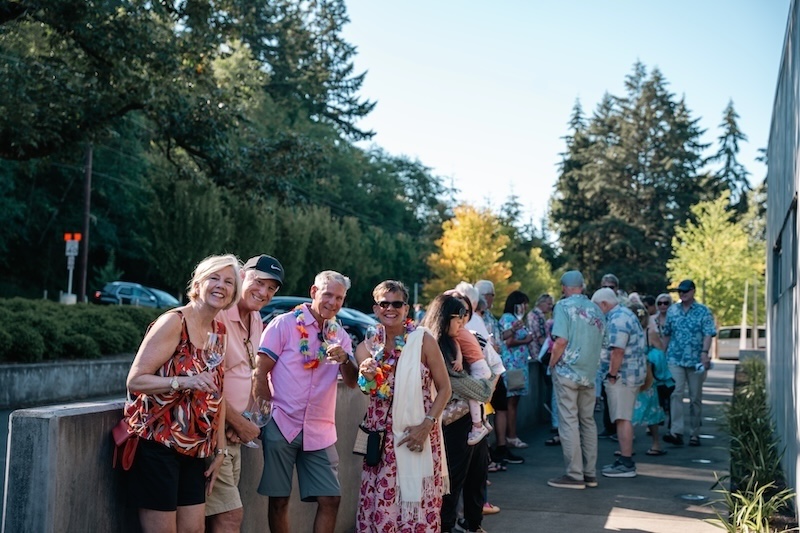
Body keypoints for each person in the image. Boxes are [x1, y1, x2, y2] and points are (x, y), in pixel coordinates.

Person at [124, 254, 241, 532]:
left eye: (228, 282)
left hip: (195, 451)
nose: (221, 285)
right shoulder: (174, 322)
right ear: (198, 284)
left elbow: (217, 395)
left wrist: (220, 449)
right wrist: (183, 382)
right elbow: (136, 381)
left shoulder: (218, 331)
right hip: (158, 445)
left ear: (234, 293)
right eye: (214, 278)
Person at [254, 271, 358, 533]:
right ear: (313, 292)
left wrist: (345, 359)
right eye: (328, 295)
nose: (333, 302)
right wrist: (265, 419)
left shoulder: (340, 335)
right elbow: (260, 371)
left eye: (339, 298)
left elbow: (352, 382)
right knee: (279, 500)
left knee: (331, 499)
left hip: (320, 430)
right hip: (282, 423)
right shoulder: (284, 324)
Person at [354, 281, 451, 532]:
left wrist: (426, 425)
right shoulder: (366, 347)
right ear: (375, 309)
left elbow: (445, 389)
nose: (390, 309)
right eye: (384, 304)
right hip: (381, 439)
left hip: (417, 434)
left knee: (419, 508)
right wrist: (367, 375)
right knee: (383, 508)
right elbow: (366, 389)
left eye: (397, 304)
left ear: (406, 308)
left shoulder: (423, 340)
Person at [206, 254, 284, 532]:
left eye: (271, 288)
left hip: (233, 434)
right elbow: (204, 382)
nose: (264, 292)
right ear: (241, 276)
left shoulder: (256, 318)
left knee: (216, 515)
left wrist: (244, 420)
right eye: (259, 282)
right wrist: (236, 422)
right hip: (211, 433)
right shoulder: (218, 313)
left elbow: (249, 372)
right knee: (229, 516)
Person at [421, 294, 495, 533]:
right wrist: (484, 387)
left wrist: (483, 387)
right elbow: (457, 384)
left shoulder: (457, 340)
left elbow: (485, 373)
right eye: (459, 316)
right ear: (444, 317)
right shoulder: (432, 344)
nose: (463, 321)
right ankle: (446, 527)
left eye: (465, 316)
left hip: (471, 420)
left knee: (477, 475)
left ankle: (474, 524)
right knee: (451, 481)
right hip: (450, 423)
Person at [547, 270, 605, 490]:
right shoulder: (596, 309)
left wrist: (552, 362)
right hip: (589, 373)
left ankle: (574, 474)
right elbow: (604, 342)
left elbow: (561, 340)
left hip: (567, 371)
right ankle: (590, 473)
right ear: (582, 286)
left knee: (569, 421)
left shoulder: (563, 306)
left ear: (564, 287)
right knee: (588, 421)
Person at [592, 288, 646, 478]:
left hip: (623, 376)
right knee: (623, 418)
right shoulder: (624, 314)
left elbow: (617, 351)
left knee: (622, 418)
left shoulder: (617, 319)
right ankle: (625, 459)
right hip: (630, 374)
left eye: (596, 307)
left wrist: (611, 375)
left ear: (604, 304)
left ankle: (626, 462)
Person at [662, 279, 716, 447]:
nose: (682, 294)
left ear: (693, 291)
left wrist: (705, 353)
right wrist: (662, 354)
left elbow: (708, 333)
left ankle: (695, 433)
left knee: (695, 398)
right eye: (680, 291)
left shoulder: (703, 311)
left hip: (695, 360)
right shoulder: (672, 311)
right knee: (675, 393)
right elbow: (667, 333)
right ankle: (676, 432)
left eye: (685, 291)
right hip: (675, 358)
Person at [629, 303, 673, 457]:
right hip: (646, 376)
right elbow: (660, 353)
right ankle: (655, 444)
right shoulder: (649, 333)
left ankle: (628, 447)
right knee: (651, 410)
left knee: (628, 410)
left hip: (632, 376)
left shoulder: (628, 332)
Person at [498, 291, 533, 450]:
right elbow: (508, 342)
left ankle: (511, 435)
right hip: (512, 365)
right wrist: (526, 340)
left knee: (514, 401)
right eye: (523, 303)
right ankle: (511, 436)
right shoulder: (508, 319)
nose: (525, 307)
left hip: (518, 365)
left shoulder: (513, 319)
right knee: (511, 402)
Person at [526, 293, 554, 358]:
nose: (550, 307)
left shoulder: (532, 314)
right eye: (549, 304)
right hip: (538, 352)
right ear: (541, 303)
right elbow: (540, 337)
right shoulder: (538, 316)